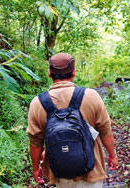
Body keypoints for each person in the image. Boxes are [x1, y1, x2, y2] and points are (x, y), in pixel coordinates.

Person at [27, 52, 117, 188]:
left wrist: (35, 168)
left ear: (49, 73)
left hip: (58, 171)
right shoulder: (91, 96)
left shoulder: (37, 103)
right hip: (91, 171)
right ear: (74, 72)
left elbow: (35, 141)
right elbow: (105, 131)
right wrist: (112, 155)